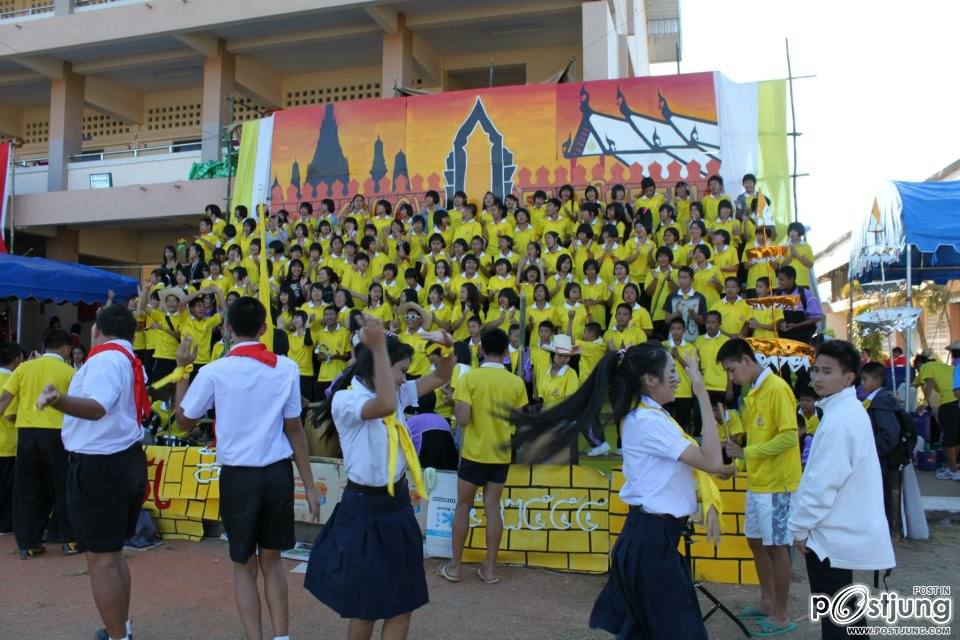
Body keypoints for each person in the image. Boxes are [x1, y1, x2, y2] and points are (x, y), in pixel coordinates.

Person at [510, 343, 729, 639]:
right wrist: (702, 391)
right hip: (650, 542)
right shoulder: (649, 420)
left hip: (650, 540)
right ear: (650, 379)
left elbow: (700, 465)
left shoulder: (650, 415)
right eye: (672, 372)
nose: (678, 378)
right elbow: (712, 461)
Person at [175, 297, 322, 640]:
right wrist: (310, 484)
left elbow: (183, 421)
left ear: (227, 329)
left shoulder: (214, 370)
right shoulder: (285, 367)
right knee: (272, 561)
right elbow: (295, 428)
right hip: (276, 475)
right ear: (264, 329)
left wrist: (183, 369)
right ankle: (281, 637)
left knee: (243, 565)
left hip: (238, 477)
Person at [304, 317, 454, 640]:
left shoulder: (396, 393)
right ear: (379, 368)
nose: (404, 378)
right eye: (400, 370)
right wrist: (376, 348)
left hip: (397, 505)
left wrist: (449, 347)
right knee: (366, 607)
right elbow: (385, 404)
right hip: (364, 507)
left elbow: (442, 375)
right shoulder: (347, 400)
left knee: (403, 604)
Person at [34, 305, 150, 640]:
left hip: (100, 466)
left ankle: (118, 636)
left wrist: (58, 401)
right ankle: (121, 627)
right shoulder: (131, 360)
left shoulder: (104, 360)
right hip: (125, 461)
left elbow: (98, 407)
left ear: (96, 330)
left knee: (101, 560)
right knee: (112, 554)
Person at [789, 340, 896, 640]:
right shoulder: (844, 411)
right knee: (847, 615)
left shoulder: (840, 419)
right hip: (836, 532)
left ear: (848, 378)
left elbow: (823, 484)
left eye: (826, 371)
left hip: (829, 536)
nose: (817, 378)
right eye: (815, 370)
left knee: (836, 620)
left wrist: (799, 528)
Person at [718, 338, 801, 636]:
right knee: (756, 541)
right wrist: (737, 466)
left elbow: (789, 438)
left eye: (730, 370)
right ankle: (767, 602)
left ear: (745, 359)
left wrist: (746, 455)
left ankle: (781, 614)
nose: (731, 377)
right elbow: (755, 443)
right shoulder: (752, 393)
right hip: (758, 482)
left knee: (777, 546)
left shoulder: (777, 389)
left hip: (778, 484)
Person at [442, 328, 528, 585]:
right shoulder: (516, 382)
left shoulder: (470, 379)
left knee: (463, 507)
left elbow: (465, 418)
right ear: (504, 352)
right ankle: (489, 569)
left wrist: (453, 403)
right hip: (500, 453)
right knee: (493, 509)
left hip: (474, 453)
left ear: (480, 350)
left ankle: (456, 567)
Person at [0, 329, 77, 558]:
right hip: (56, 435)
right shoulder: (69, 371)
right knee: (63, 487)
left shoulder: (24, 368)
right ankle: (69, 540)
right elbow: (75, 406)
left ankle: (28, 544)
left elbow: (4, 402)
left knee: (28, 489)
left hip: (26, 434)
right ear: (65, 348)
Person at [860, 362, 904, 536]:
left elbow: (889, 433)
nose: (862, 383)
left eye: (864, 379)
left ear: (877, 380)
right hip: (882, 457)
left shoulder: (880, 400)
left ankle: (888, 532)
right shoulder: (877, 399)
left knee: (885, 496)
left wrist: (871, 452)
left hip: (883, 459)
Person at [915, 351, 959, 480]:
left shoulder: (925, 367)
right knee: (957, 437)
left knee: (948, 439)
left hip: (948, 402)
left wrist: (924, 402)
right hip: (957, 401)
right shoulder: (943, 366)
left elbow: (929, 384)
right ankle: (952, 466)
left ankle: (952, 470)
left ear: (919, 364)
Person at [0, 342, 21, 535]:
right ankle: (5, 526)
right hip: (6, 443)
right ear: (16, 359)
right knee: (6, 489)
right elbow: (9, 414)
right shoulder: (11, 381)